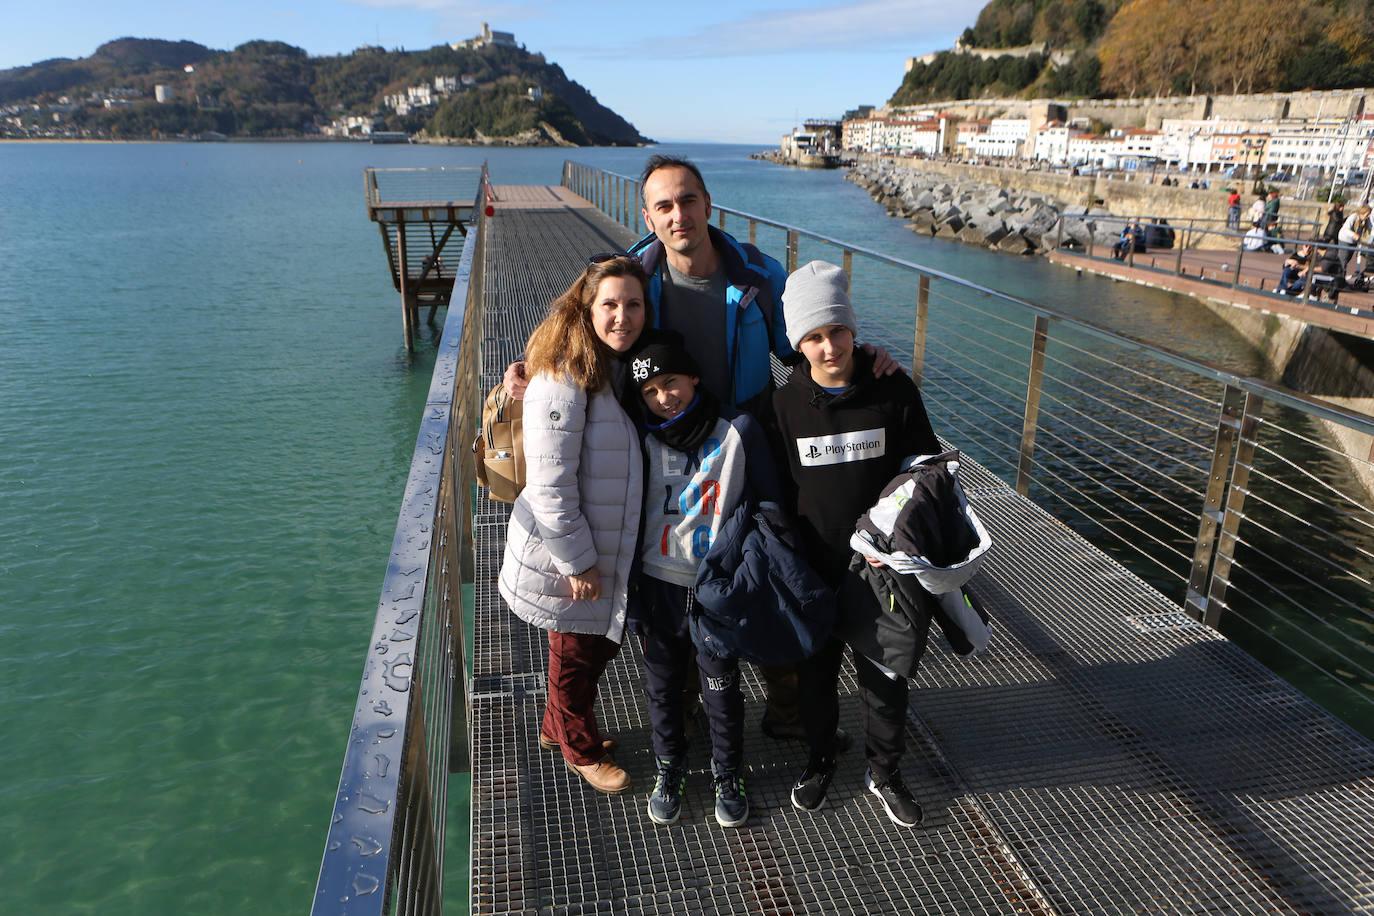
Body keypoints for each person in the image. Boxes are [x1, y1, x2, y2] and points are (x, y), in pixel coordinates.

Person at [505, 155, 895, 743]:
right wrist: (526, 373)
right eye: (664, 205)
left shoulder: (758, 276)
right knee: (670, 580)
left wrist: (861, 362)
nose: (678, 214)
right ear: (648, 217)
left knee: (770, 568)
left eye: (688, 200)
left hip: (747, 443)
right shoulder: (634, 275)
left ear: (709, 205)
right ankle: (688, 700)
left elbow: (799, 349)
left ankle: (786, 703)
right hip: (661, 448)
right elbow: (583, 328)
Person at [770, 261, 942, 828]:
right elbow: (772, 482)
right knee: (815, 679)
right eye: (813, 337)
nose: (828, 347)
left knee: (887, 680)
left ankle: (884, 771)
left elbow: (924, 469)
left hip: (883, 569)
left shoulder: (892, 387)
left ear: (853, 329)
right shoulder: (783, 401)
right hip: (814, 567)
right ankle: (821, 758)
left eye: (836, 332)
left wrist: (899, 535)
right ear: (798, 342)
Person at [498, 255, 650, 795]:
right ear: (586, 308)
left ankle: (553, 728)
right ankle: (578, 750)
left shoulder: (609, 365)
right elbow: (548, 484)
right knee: (576, 653)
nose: (622, 317)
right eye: (609, 304)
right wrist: (578, 559)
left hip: (600, 540)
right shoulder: (564, 375)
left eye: (633, 304)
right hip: (566, 551)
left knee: (588, 646)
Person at [627, 333, 779, 828]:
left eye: (670, 382)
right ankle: (669, 767)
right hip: (658, 583)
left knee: (720, 686)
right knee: (663, 686)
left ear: (694, 376)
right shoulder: (642, 438)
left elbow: (771, 503)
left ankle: (726, 771)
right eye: (650, 391)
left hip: (716, 585)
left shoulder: (739, 430)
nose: (662, 397)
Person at [1337, 204, 1371, 273]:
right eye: (1367, 214)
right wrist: (1354, 234)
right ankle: (1340, 278)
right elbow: (1345, 229)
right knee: (1343, 259)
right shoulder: (1353, 217)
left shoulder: (1366, 220)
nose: (1368, 216)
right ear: (1362, 213)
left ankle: (1342, 276)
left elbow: (1371, 229)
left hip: (1353, 242)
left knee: (1348, 259)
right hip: (1344, 239)